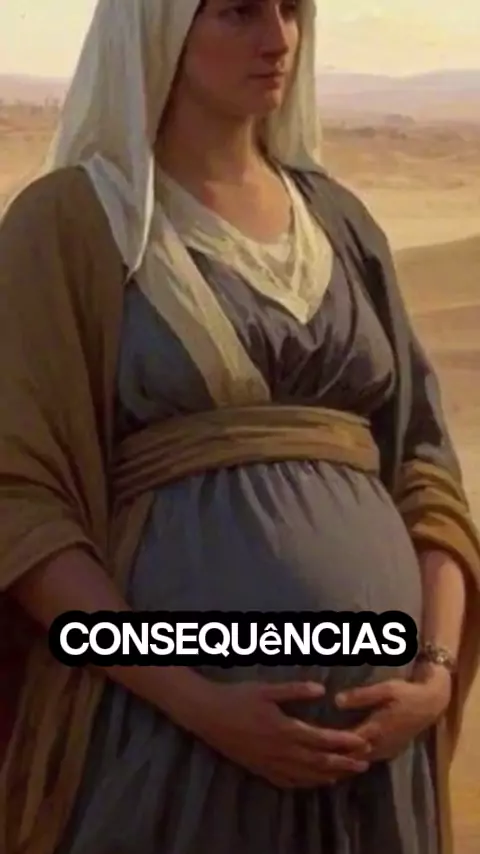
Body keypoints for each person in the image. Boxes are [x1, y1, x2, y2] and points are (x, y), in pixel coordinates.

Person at [0, 1, 479, 852]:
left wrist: (435, 675)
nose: (279, 39)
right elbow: (20, 504)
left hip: (376, 763)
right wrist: (193, 699)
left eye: (292, 9)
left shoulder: (341, 224)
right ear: (158, 28)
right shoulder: (72, 226)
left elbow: (425, 469)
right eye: (238, 12)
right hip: (169, 743)